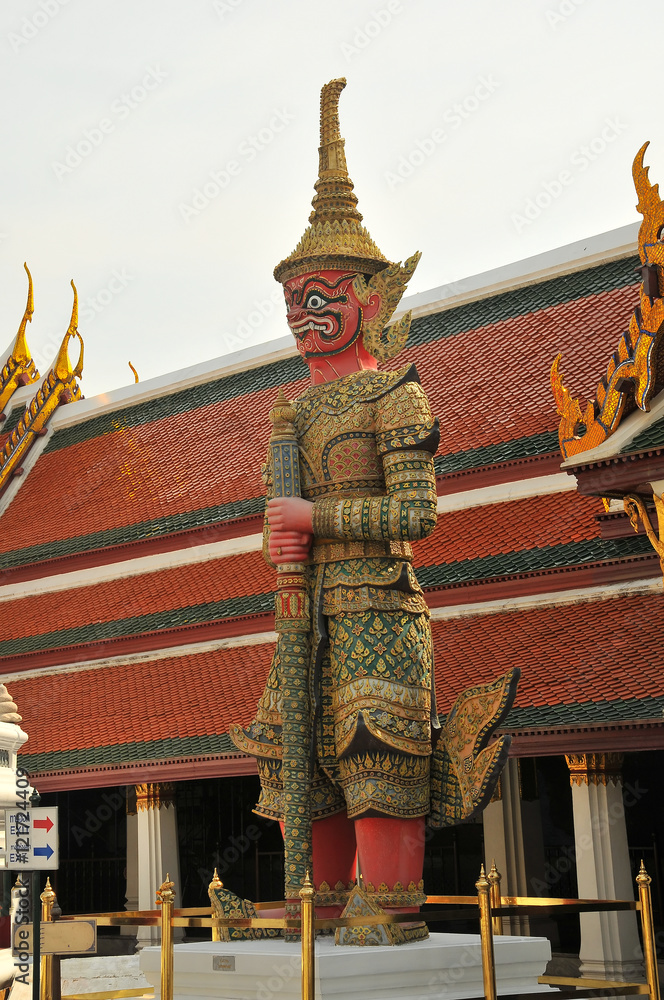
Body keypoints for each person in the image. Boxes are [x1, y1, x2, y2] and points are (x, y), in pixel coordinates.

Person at [230, 79, 516, 938]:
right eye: (293, 298)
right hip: (303, 612)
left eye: (322, 294)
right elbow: (283, 520)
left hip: (379, 611)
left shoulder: (396, 395)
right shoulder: (289, 413)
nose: (303, 313)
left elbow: (417, 513)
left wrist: (316, 523)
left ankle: (387, 905)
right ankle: (307, 909)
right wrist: (283, 535)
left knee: (373, 750)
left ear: (372, 297)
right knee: (296, 761)